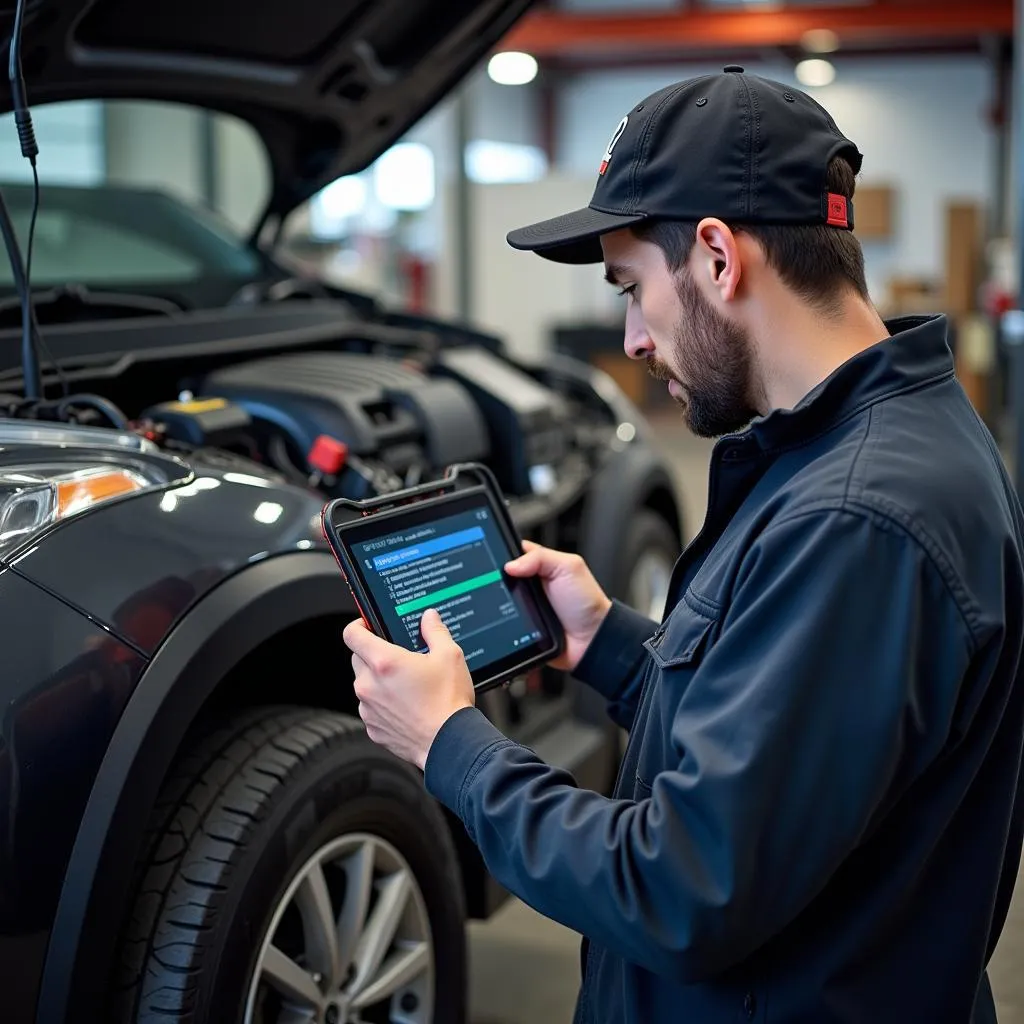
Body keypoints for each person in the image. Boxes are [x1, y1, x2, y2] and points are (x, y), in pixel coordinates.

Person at [342, 67, 1024, 1023]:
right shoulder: (861, 445)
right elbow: (793, 736)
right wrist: (613, 647)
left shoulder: (857, 516)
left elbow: (679, 889)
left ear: (716, 256)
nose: (630, 338)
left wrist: (450, 743)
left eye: (631, 288)